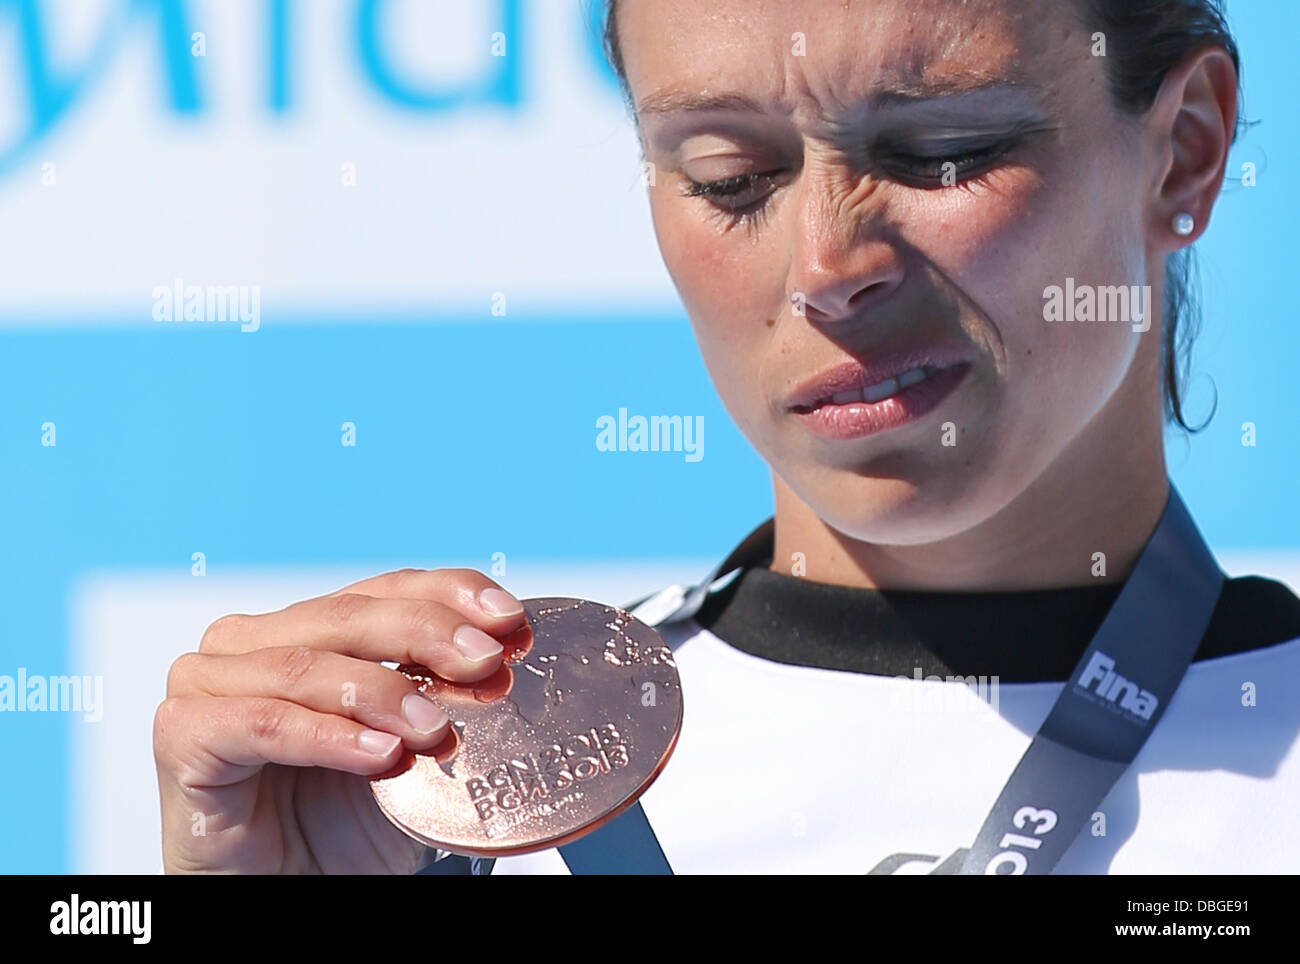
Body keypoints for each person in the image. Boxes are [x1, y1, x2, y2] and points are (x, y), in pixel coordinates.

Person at [153, 0, 1300, 874]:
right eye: (730, 176)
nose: (826, 271)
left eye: (939, 150)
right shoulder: (440, 802)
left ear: (1186, 148)